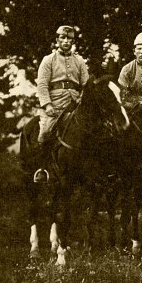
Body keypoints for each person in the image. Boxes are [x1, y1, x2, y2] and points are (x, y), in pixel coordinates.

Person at [34, 25, 89, 181]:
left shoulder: (79, 60)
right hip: (55, 104)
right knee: (45, 132)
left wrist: (81, 97)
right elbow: (42, 84)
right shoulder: (48, 60)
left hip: (75, 102)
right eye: (62, 38)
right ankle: (43, 169)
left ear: (73, 41)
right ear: (57, 40)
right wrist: (47, 105)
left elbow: (86, 84)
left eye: (69, 39)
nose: (66, 41)